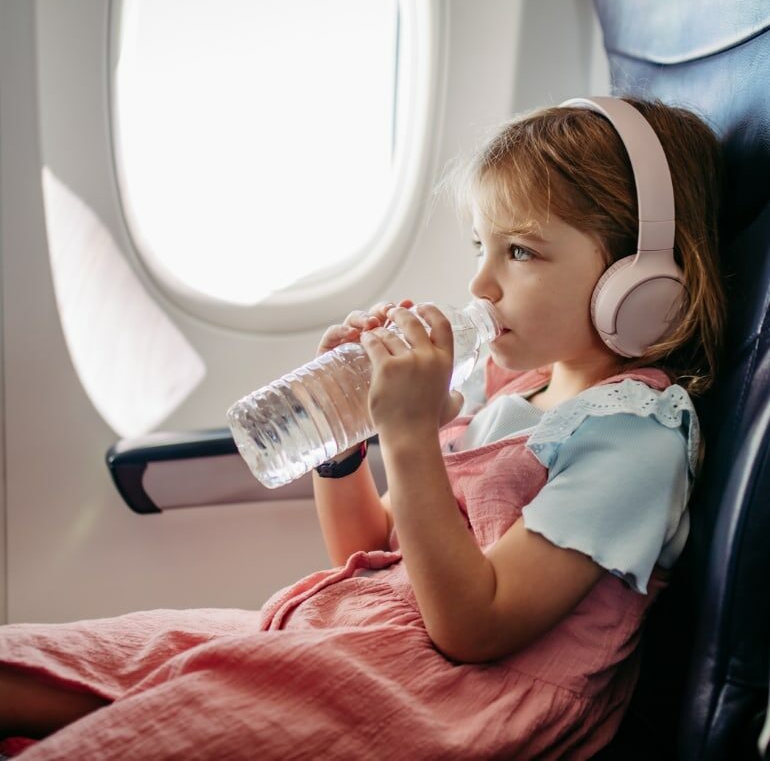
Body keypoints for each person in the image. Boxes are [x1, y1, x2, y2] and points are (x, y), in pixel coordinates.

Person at [0, 97, 726, 760]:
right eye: (481, 246)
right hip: (357, 635)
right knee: (22, 666)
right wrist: (345, 438)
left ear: (638, 281)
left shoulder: (636, 436)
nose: (480, 285)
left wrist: (410, 435)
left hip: (450, 700)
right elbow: (370, 551)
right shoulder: (516, 390)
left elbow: (475, 625)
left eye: (522, 252)